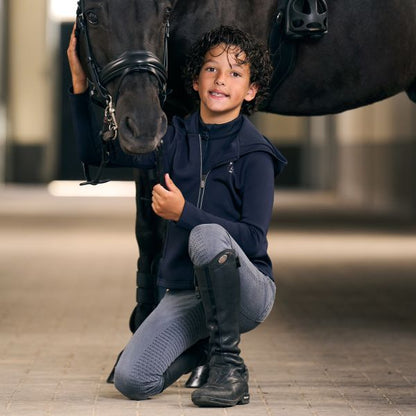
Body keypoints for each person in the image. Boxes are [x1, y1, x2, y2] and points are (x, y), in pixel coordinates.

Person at [68, 25, 287, 407]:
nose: (221, 80)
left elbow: (253, 240)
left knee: (206, 236)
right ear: (196, 82)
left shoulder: (256, 154)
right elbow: (95, 155)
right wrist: (78, 80)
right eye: (211, 70)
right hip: (188, 293)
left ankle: (229, 368)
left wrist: (184, 213)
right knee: (132, 380)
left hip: (246, 294)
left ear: (250, 91)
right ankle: (203, 350)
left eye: (236, 74)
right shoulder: (172, 138)